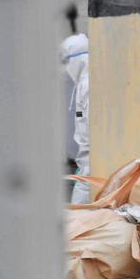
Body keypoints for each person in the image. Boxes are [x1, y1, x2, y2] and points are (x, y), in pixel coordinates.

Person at [61, 34, 91, 204]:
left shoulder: (88, 84)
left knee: (78, 213)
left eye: (67, 62)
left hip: (91, 163)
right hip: (86, 162)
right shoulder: (83, 83)